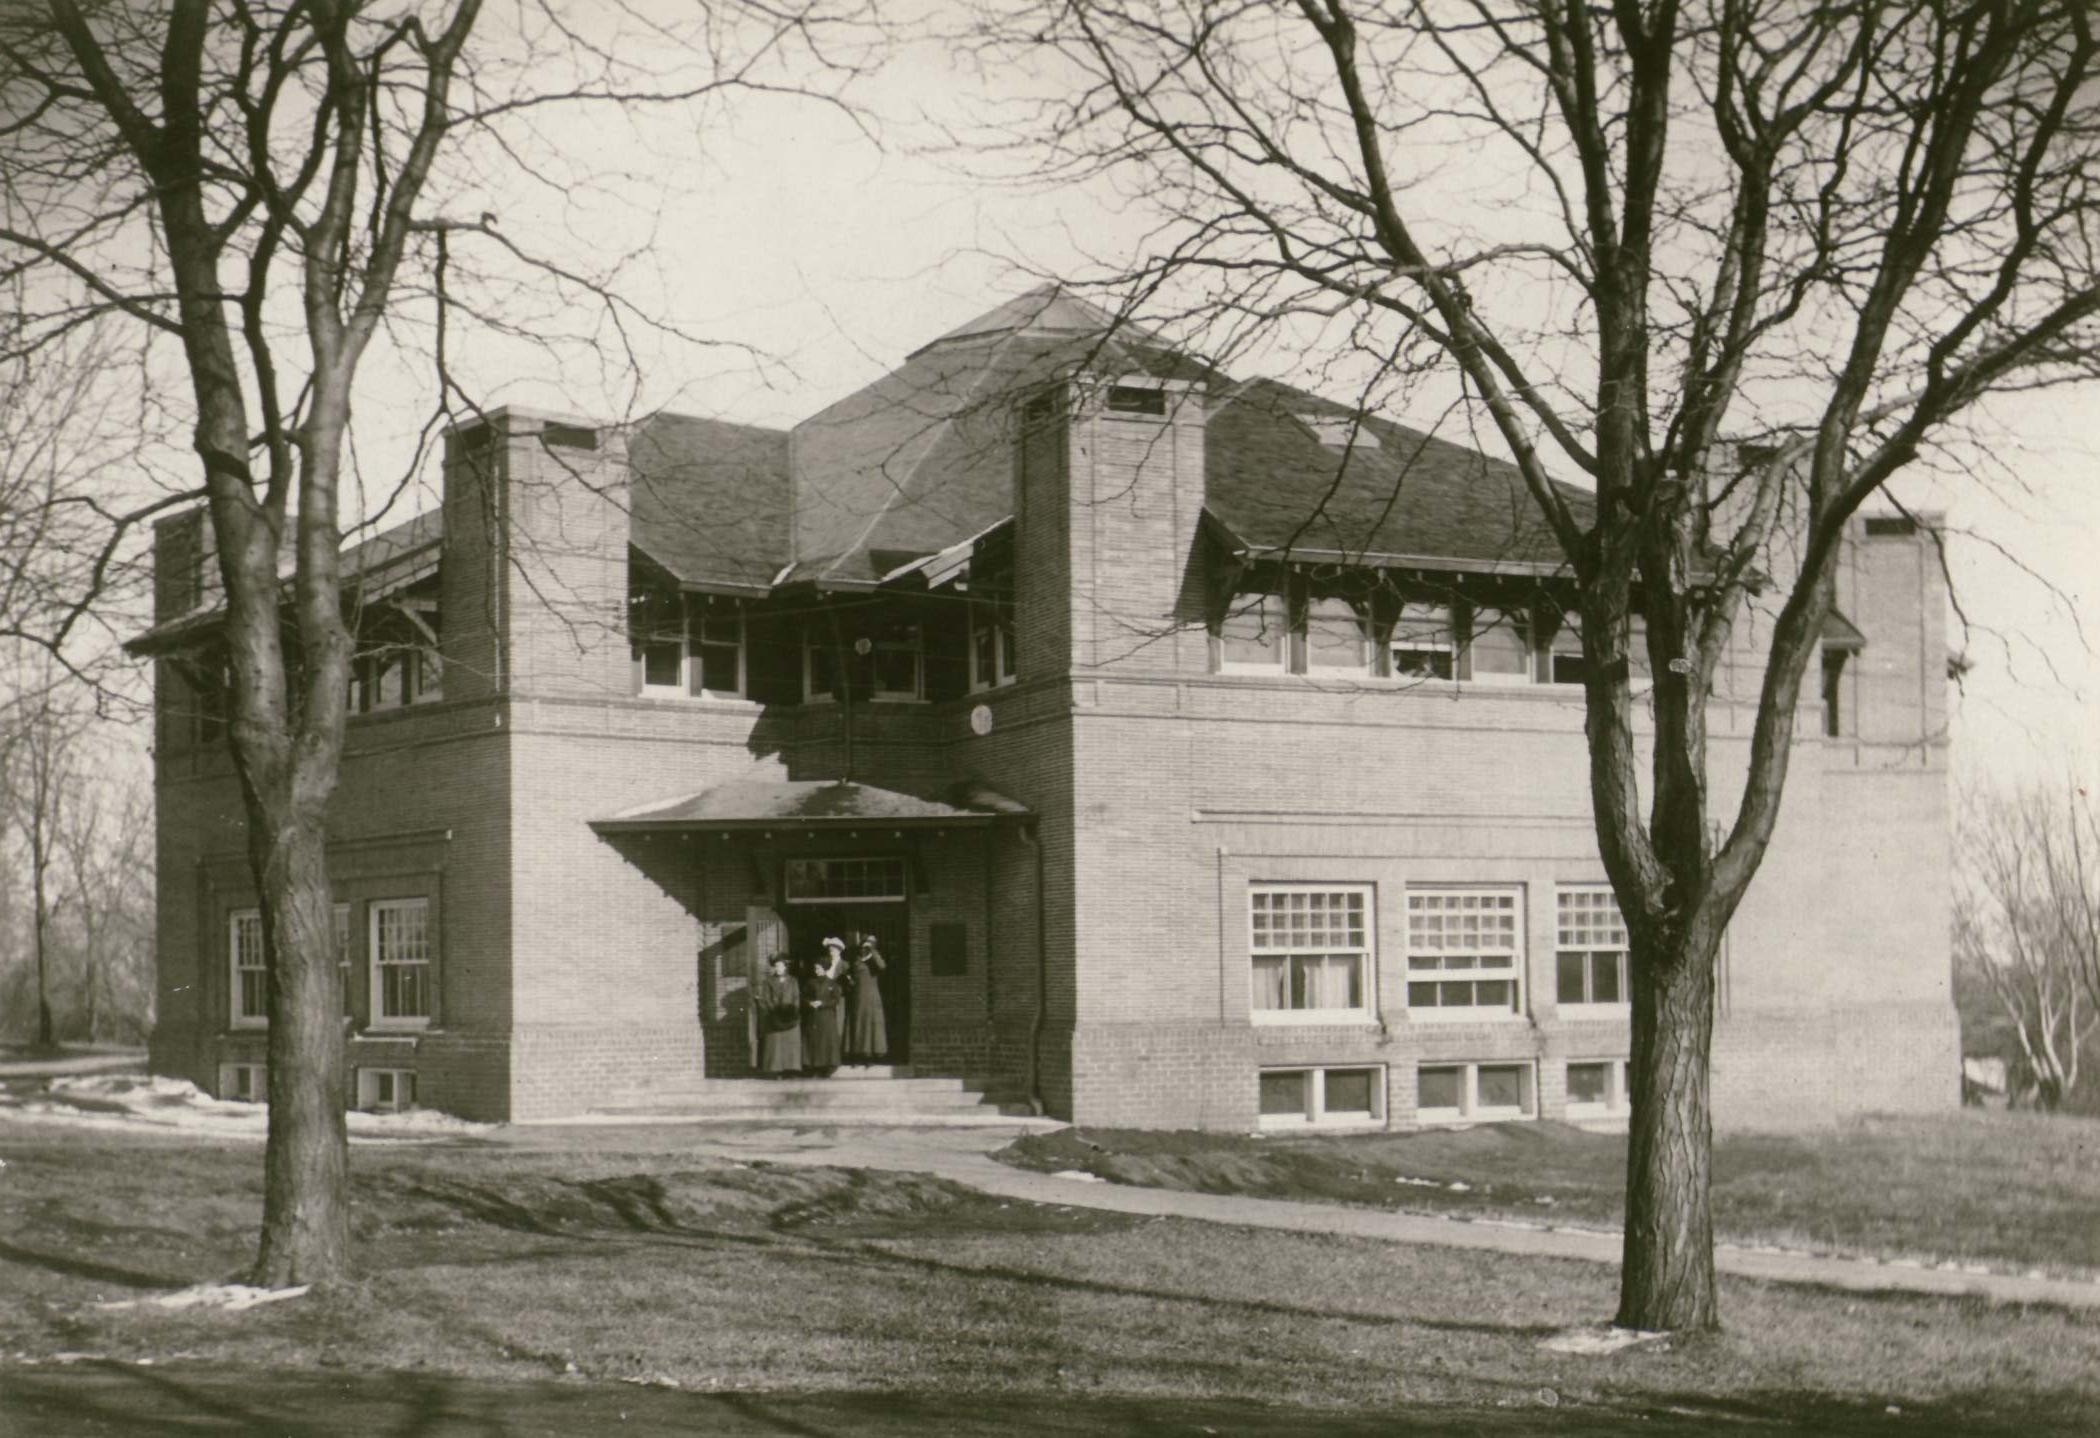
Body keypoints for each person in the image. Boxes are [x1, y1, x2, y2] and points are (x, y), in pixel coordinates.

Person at [800, 936, 846, 1077]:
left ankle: (827, 1067)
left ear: (825, 969)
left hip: (827, 1017)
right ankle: (814, 1066)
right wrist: (809, 1003)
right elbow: (804, 996)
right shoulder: (810, 982)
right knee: (814, 1041)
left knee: (827, 1041)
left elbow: (835, 999)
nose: (816, 970)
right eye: (815, 968)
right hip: (814, 1017)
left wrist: (823, 1003)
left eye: (819, 968)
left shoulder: (832, 983)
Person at [844, 931, 889, 1065]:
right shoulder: (856, 959)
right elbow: (851, 974)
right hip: (857, 997)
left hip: (871, 996)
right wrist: (850, 980)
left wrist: (872, 952)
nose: (867, 947)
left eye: (872, 943)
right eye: (866, 943)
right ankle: (858, 1054)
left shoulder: (874, 958)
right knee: (858, 1024)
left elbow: (882, 966)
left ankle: (871, 1054)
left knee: (871, 1023)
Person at [756, 954, 803, 1077]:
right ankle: (775, 1071)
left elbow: (796, 998)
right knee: (775, 1044)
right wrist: (774, 1011)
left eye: (780, 966)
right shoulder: (768, 982)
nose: (778, 968)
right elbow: (765, 999)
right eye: (776, 966)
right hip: (775, 1017)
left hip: (790, 1017)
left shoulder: (793, 981)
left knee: (790, 1044)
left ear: (785, 967)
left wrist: (792, 1012)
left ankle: (790, 1069)